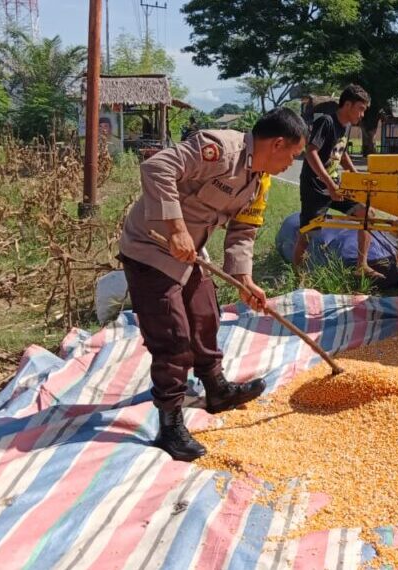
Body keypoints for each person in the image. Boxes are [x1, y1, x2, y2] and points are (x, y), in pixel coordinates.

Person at [118, 108, 308, 461]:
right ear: (278, 143)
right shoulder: (220, 149)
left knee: (206, 315)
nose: (290, 164)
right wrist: (176, 229)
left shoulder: (259, 180)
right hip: (151, 247)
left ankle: (216, 389)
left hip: (191, 254)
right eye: (293, 155)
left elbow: (243, 232)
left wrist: (244, 279)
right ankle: (170, 421)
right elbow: (157, 168)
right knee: (173, 336)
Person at [294, 85, 381, 278]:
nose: (363, 114)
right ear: (347, 104)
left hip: (336, 186)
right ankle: (297, 275)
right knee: (308, 233)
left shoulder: (346, 126)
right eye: (361, 108)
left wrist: (356, 174)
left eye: (365, 110)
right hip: (315, 187)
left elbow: (341, 153)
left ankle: (362, 266)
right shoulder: (327, 121)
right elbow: (311, 152)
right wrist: (329, 184)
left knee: (367, 213)